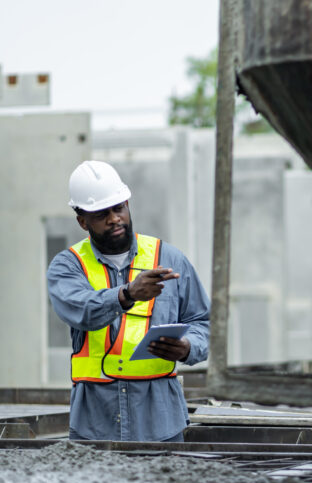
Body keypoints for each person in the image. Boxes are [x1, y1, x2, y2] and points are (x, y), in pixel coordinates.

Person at [47, 160, 210, 442]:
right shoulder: (68, 266)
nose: (114, 219)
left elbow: (203, 323)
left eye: (118, 208)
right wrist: (128, 294)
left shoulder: (168, 258)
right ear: (82, 221)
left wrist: (187, 347)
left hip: (162, 423)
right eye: (101, 214)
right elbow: (82, 310)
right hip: (95, 425)